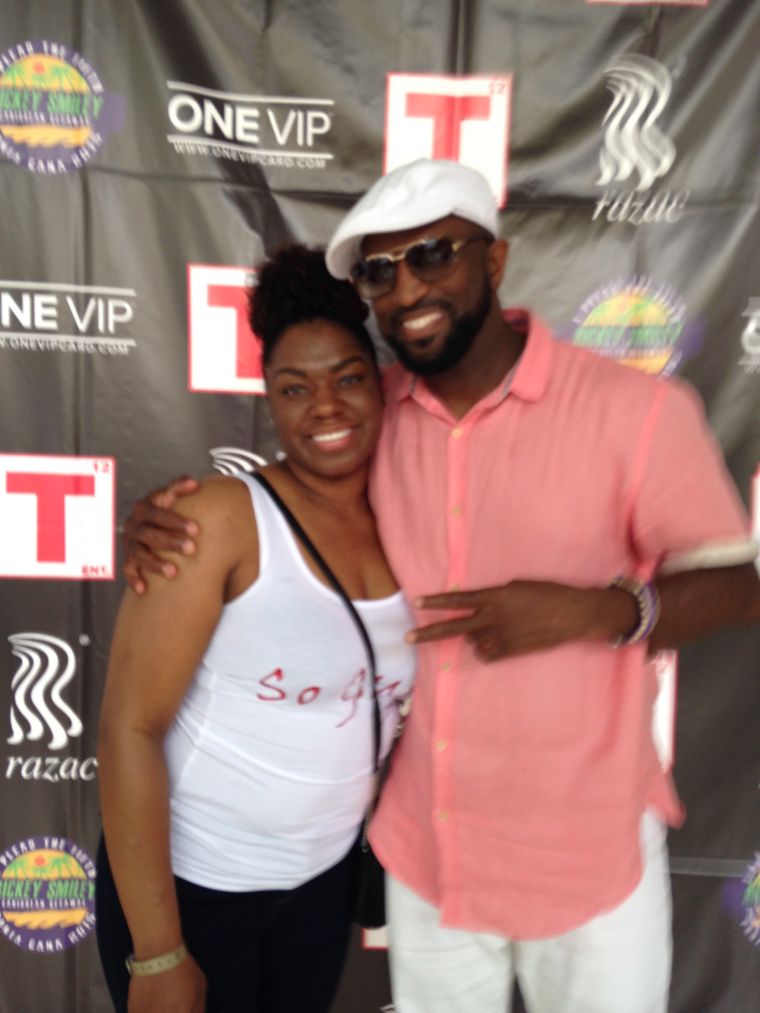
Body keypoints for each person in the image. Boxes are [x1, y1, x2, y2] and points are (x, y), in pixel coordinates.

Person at [123, 159, 760, 1013]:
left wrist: (599, 609)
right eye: (381, 271)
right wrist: (163, 520)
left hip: (589, 852)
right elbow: (288, 495)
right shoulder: (373, 410)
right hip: (431, 857)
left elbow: (738, 585)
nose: (408, 288)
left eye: (433, 255)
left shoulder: (635, 410)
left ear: (493, 260)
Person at [96, 245, 416, 1013]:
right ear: (269, 399)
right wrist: (158, 950)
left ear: (382, 384)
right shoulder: (217, 520)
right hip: (195, 893)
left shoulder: (420, 515)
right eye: (294, 387)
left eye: (347, 378)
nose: (325, 406)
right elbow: (128, 729)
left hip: (320, 891)